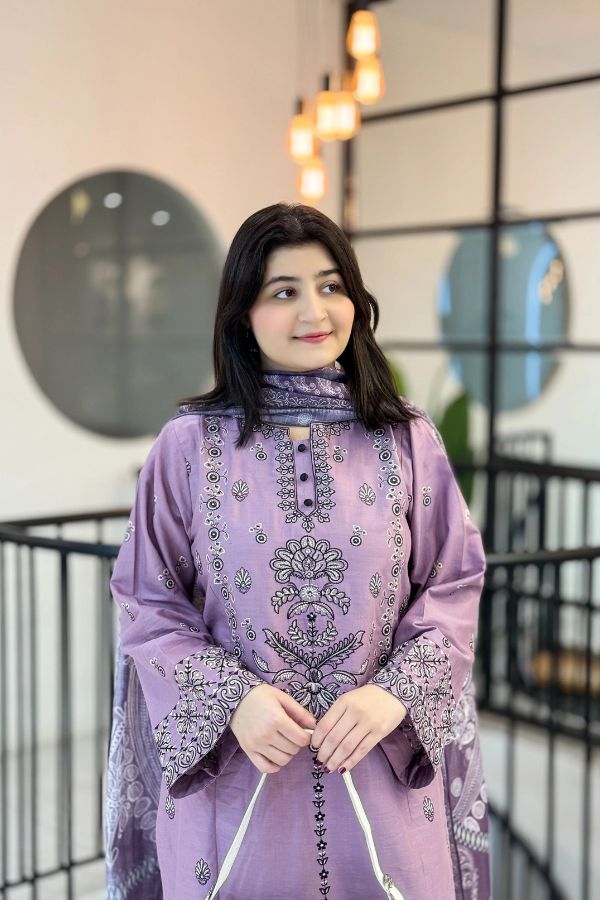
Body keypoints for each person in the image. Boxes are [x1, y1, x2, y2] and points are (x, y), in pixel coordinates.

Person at [105, 202, 491, 900]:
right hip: (239, 787)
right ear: (242, 315)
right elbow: (146, 599)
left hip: (381, 781)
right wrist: (232, 701)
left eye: (331, 284)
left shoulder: (407, 437)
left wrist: (392, 698)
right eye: (284, 291)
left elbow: (454, 581)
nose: (315, 309)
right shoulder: (188, 446)